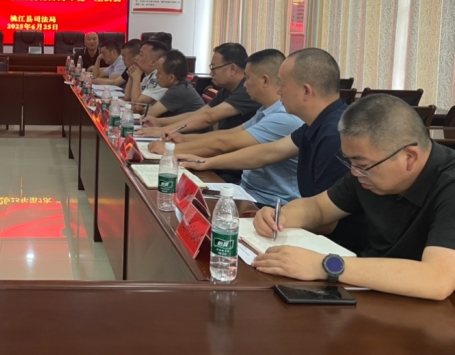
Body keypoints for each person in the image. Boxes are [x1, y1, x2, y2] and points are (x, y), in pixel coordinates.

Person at [251, 94, 455, 301]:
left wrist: (324, 265)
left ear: (409, 157)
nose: (355, 172)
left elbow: (437, 279)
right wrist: (281, 217)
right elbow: (318, 208)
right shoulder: (367, 173)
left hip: (426, 308)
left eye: (362, 165)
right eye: (350, 163)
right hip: (371, 291)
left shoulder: (449, 184)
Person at [182, 48, 366, 252]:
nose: (279, 92)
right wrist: (207, 162)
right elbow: (269, 152)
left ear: (306, 91)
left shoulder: (335, 135)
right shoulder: (317, 123)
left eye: (283, 85)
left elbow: (326, 220)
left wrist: (279, 217)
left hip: (333, 245)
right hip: (305, 226)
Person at [150, 49, 303, 206]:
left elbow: (226, 143)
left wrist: (173, 151)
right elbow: (229, 134)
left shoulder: (284, 117)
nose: (244, 84)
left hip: (270, 203)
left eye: (248, 78)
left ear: (265, 81)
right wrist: (184, 139)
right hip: (247, 191)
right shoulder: (266, 110)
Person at [139, 42, 261, 136]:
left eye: (214, 68)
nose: (211, 73)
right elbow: (200, 113)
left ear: (232, 69)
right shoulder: (227, 90)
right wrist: (160, 123)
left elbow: (209, 117)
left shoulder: (247, 91)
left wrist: (164, 130)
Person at [145, 49, 205, 119]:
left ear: (171, 78)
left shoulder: (178, 91)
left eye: (159, 72)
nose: (156, 76)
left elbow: (149, 115)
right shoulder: (182, 86)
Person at [123, 40, 168, 107]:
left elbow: (136, 104)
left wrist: (136, 77)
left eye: (140, 55)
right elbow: (128, 97)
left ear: (153, 62)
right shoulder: (149, 75)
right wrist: (131, 76)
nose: (136, 58)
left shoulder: (159, 77)